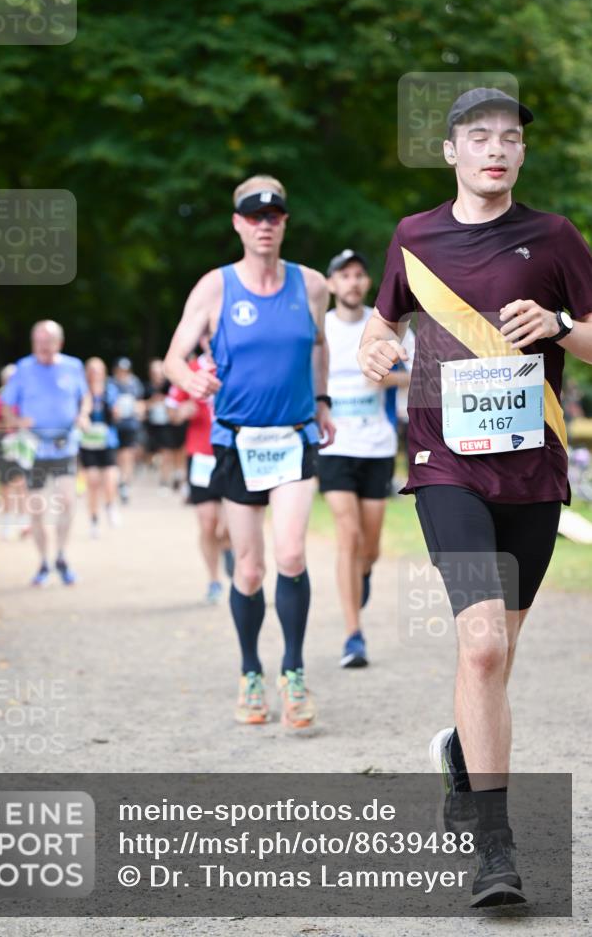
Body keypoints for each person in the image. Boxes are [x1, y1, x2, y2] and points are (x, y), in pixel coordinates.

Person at [358, 87, 592, 908]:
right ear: (452, 152)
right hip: (442, 462)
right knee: (484, 647)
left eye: (508, 138)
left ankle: (463, 753)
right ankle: (494, 851)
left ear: (521, 153)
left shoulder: (555, 238)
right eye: (477, 137)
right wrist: (374, 345)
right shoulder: (412, 236)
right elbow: (380, 325)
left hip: (533, 468)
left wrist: (559, 325)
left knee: (494, 654)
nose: (494, 149)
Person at [165, 174, 334, 729]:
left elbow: (320, 346)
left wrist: (324, 401)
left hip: (294, 436)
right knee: (251, 568)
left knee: (289, 555)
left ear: (285, 222)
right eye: (253, 215)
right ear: (237, 223)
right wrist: (191, 381)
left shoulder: (311, 285)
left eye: (274, 215)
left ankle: (293, 672)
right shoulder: (214, 288)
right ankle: (249, 672)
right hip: (236, 440)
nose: (265, 224)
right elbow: (174, 358)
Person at [319, 249, 412, 668]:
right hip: (334, 447)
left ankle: (365, 574)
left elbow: (419, 372)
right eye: (345, 275)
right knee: (348, 534)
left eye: (359, 275)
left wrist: (383, 374)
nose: (353, 282)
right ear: (332, 285)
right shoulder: (320, 329)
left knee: (369, 548)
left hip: (376, 448)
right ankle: (353, 635)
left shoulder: (388, 326)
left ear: (366, 283)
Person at [1, 320, 88, 587]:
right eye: (38, 342)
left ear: (58, 343)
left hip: (64, 444)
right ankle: (43, 562)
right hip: (35, 447)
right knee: (36, 508)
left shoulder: (73, 366)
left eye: (47, 342)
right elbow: (5, 406)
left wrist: (83, 414)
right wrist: (16, 422)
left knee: (67, 502)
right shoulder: (23, 369)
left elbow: (85, 397)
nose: (42, 347)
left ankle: (61, 555)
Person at [166, 337, 234, 604]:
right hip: (202, 455)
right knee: (208, 524)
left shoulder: (237, 364)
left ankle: (229, 547)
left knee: (229, 527)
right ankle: (214, 580)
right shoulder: (191, 369)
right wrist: (183, 411)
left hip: (233, 454)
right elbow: (171, 412)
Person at [0, 364, 29, 540]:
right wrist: (7, 425)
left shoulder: (25, 396)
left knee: (21, 481)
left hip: (21, 443)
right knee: (5, 484)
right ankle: (7, 522)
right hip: (2, 443)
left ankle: (24, 520)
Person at [79, 358, 121, 537]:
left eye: (98, 370)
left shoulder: (110, 390)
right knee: (93, 482)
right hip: (88, 442)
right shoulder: (82, 391)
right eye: (92, 370)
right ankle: (94, 520)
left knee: (110, 480)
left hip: (107, 441)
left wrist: (117, 412)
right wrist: (82, 419)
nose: (95, 374)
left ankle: (110, 506)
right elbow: (79, 414)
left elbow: (116, 413)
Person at [145, 358, 187, 492]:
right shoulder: (148, 387)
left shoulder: (172, 384)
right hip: (160, 426)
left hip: (176, 423)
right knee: (166, 453)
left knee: (179, 452)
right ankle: (164, 480)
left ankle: (179, 478)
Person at [111, 357, 145, 504]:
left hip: (130, 424)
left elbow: (139, 401)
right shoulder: (111, 384)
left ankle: (125, 483)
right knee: (118, 456)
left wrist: (140, 411)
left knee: (128, 455)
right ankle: (119, 481)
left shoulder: (134, 383)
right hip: (116, 425)